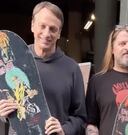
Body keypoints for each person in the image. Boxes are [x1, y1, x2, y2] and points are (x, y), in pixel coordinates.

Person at [0, 1, 87, 135]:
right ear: (32, 26)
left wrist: (64, 129)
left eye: (53, 29)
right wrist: (2, 113)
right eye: (42, 26)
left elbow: (81, 118)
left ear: (59, 33)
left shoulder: (71, 68)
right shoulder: (14, 62)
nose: (47, 34)